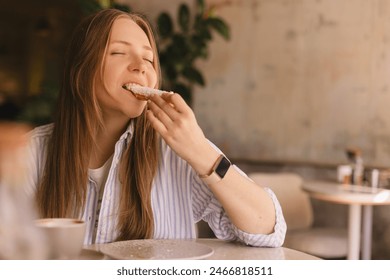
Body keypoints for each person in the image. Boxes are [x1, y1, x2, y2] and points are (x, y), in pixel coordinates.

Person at [25, 8, 286, 246]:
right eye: (118, 52)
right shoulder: (31, 153)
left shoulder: (179, 152)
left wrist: (201, 151)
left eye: (149, 59)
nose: (140, 67)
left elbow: (269, 230)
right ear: (81, 70)